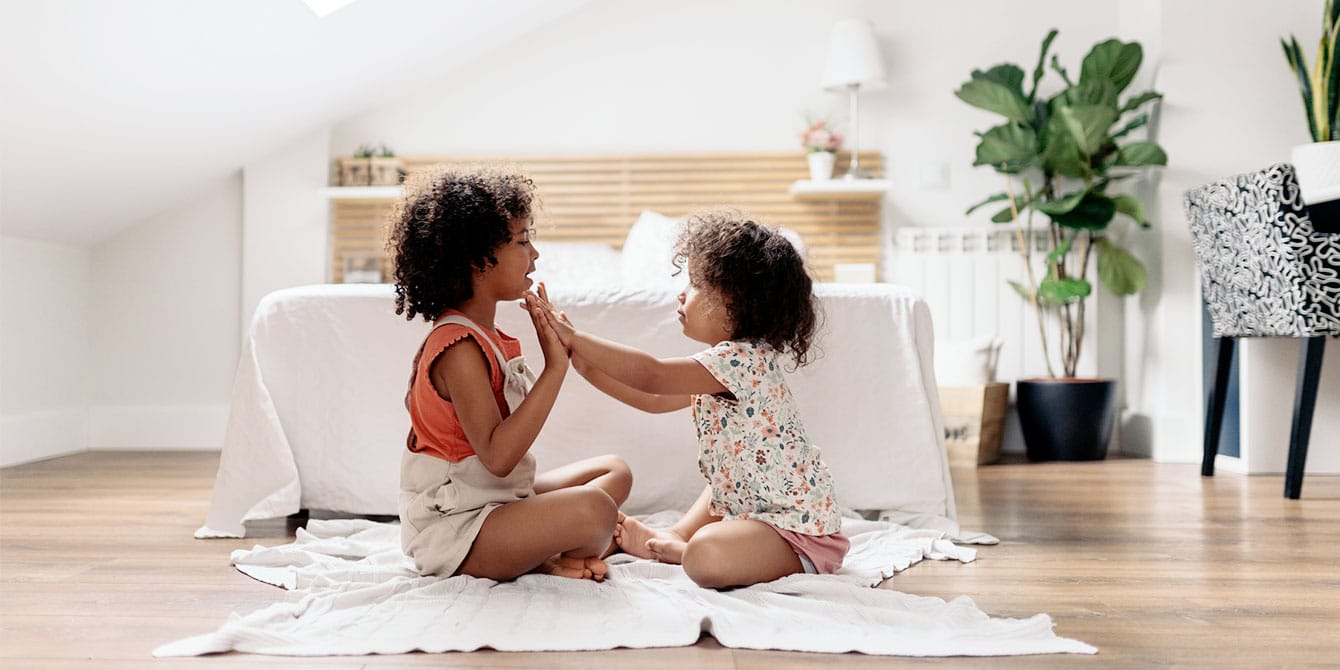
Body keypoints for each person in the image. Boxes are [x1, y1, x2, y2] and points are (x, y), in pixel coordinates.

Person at [532, 210, 849, 589]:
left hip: (796, 532)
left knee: (705, 556)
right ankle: (676, 535)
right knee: (722, 486)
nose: (682, 293)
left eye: (697, 284)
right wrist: (580, 363)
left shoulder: (740, 361)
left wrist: (576, 337)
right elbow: (650, 399)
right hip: (751, 505)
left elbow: (653, 375)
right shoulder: (723, 367)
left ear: (735, 302)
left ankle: (684, 547)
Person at [387, 164, 631, 582]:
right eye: (523, 241)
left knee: (615, 471)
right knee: (596, 509)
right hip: (460, 530)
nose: (534, 254)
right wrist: (556, 367)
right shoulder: (458, 347)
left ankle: (550, 552)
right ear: (479, 261)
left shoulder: (488, 336)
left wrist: (567, 347)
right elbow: (499, 458)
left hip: (495, 501)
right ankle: (551, 558)